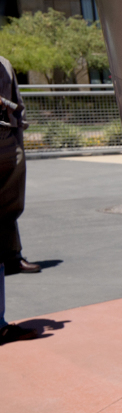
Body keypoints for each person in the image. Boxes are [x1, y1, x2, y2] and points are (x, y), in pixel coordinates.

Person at [0, 54, 37, 276]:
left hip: (7, 142)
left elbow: (17, 103)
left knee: (10, 203)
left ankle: (12, 256)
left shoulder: (4, 64)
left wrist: (18, 144)